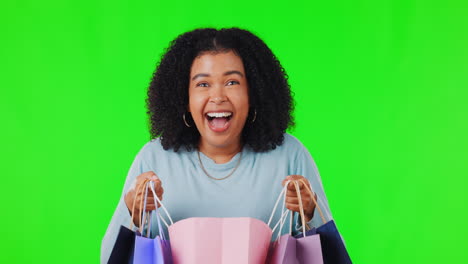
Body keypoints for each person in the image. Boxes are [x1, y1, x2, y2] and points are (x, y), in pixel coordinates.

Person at [101, 27, 334, 263]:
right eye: (203, 84)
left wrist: (309, 213)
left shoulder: (290, 155)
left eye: (232, 82)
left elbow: (330, 254)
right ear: (184, 97)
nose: (218, 96)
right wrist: (134, 213)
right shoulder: (154, 159)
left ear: (254, 92)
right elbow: (109, 257)